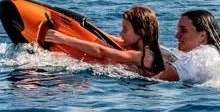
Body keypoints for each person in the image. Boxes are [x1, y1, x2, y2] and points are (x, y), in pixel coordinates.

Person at [41, 5, 170, 78]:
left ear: (140, 33)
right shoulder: (148, 46)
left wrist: (64, 39)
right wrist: (87, 27)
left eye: (125, 30)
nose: (121, 33)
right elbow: (111, 39)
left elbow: (101, 52)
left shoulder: (140, 56)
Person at [150, 9, 220, 86]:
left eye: (183, 30)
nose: (177, 36)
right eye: (178, 30)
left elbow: (157, 79)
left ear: (202, 36)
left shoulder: (200, 57)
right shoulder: (213, 53)